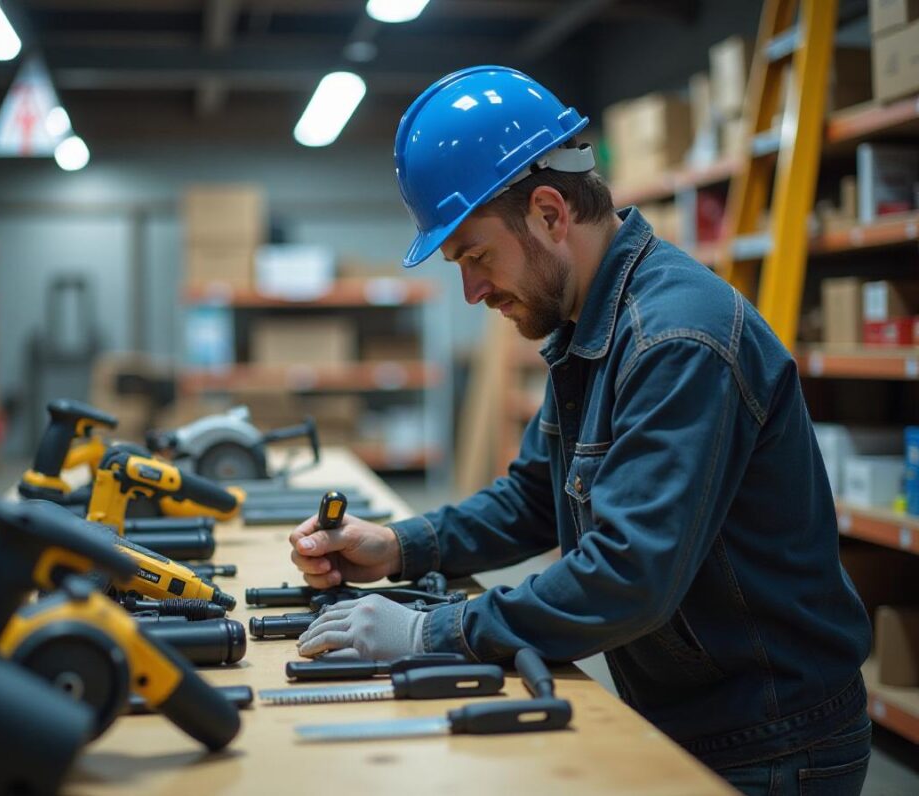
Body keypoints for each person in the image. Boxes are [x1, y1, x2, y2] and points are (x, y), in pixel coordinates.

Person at [289, 66, 872, 794]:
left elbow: (631, 576)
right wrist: (399, 545)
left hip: (773, 740)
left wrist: (429, 633)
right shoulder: (590, 329)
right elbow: (535, 497)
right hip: (696, 713)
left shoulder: (674, 340)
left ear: (550, 213)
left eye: (475, 256)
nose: (471, 292)